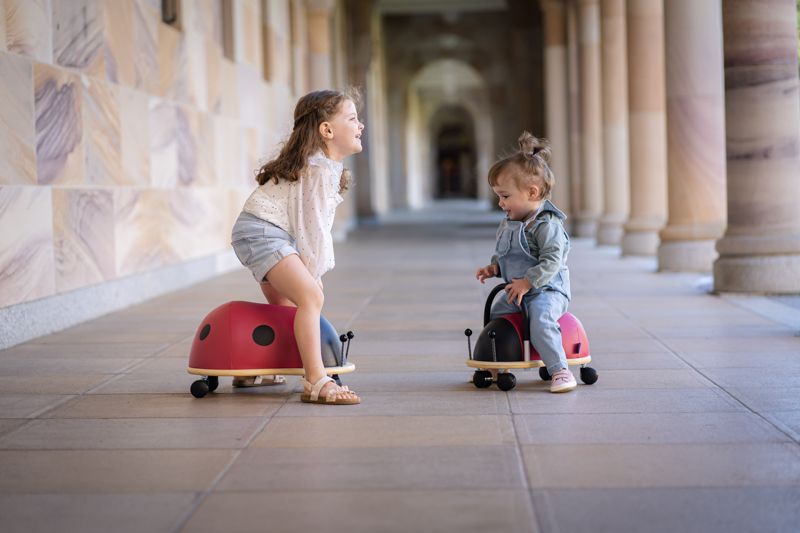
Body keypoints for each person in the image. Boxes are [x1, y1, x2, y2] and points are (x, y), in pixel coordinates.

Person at [230, 89, 363, 405]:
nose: (361, 126)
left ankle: (256, 366)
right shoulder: (316, 168)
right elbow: (312, 229)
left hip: (260, 231)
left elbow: (308, 226)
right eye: (353, 118)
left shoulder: (324, 167)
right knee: (311, 297)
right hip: (264, 233)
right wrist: (313, 272)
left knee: (288, 309)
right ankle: (317, 381)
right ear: (327, 130)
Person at [475, 132, 576, 393]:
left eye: (505, 196)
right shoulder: (511, 222)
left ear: (531, 192)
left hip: (547, 290)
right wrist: (495, 267)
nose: (500, 202)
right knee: (497, 314)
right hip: (519, 289)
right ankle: (495, 363)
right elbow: (506, 252)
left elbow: (553, 259)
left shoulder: (547, 225)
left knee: (541, 320)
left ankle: (559, 370)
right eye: (498, 196)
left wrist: (529, 281)